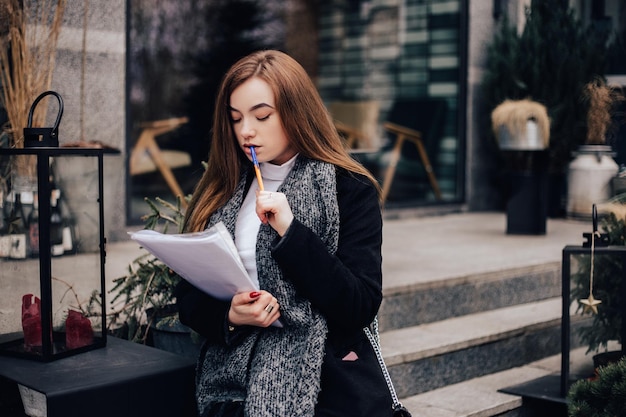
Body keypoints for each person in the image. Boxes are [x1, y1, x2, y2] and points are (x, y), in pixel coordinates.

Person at [175, 49, 391, 417]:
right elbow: (187, 298)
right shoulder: (221, 189)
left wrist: (291, 232)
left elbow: (359, 305)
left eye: (261, 116)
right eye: (236, 118)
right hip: (230, 388)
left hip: (323, 383)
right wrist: (230, 315)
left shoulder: (349, 189)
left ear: (295, 111)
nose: (246, 130)